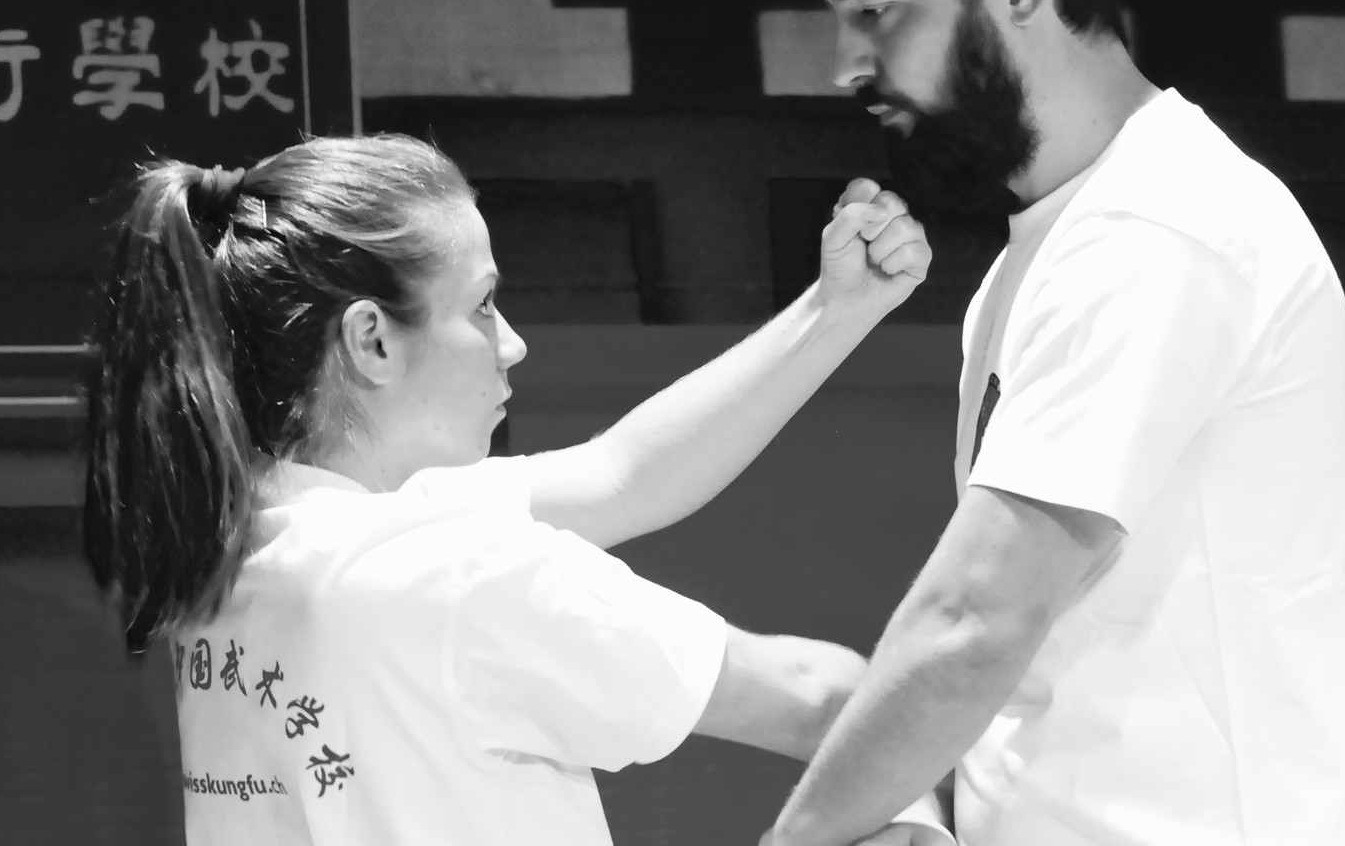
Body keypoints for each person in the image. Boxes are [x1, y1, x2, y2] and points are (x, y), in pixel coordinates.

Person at [760, 0, 1345, 846]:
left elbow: (972, 621)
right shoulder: (1057, 245)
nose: (846, 65)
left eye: (874, 10)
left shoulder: (1158, 223)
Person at [80, 132, 932, 846]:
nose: (513, 343)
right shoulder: (462, 576)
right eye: (484, 306)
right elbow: (824, 700)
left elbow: (621, 473)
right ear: (372, 340)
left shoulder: (236, 540)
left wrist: (836, 309)